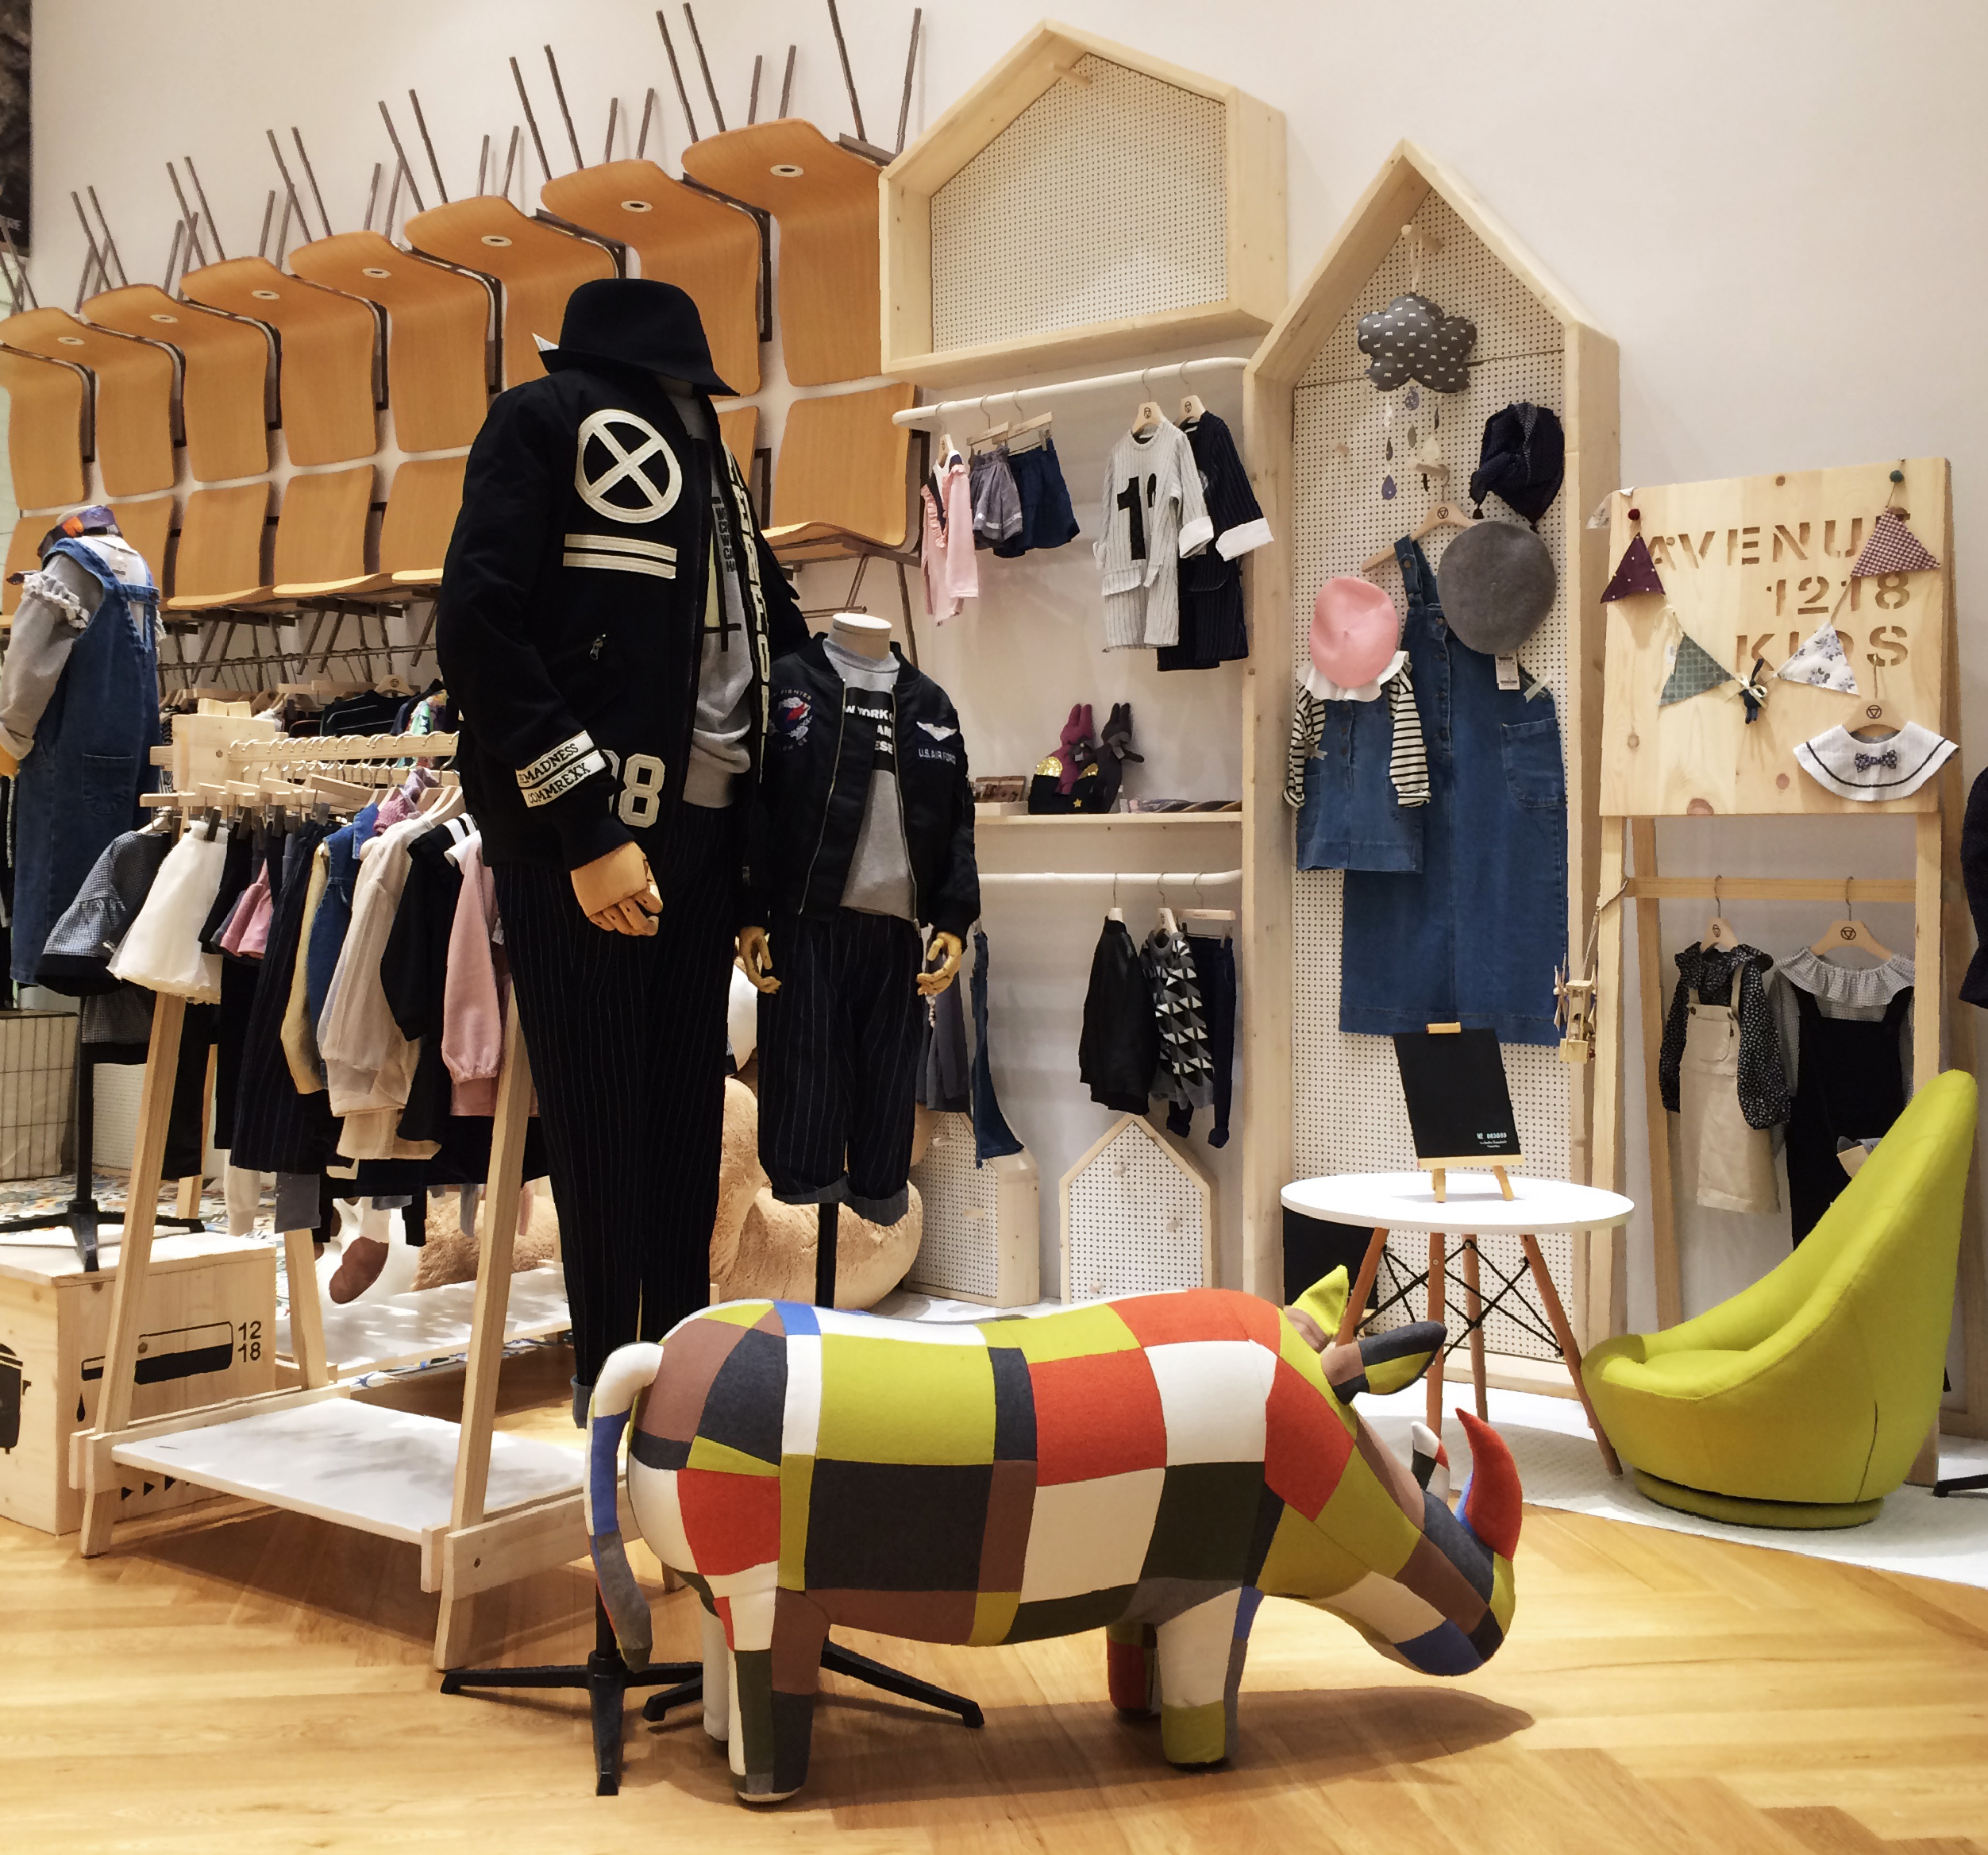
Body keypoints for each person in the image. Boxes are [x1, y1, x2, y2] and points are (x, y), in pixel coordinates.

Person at [437, 278, 807, 1417]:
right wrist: (585, 822)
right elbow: (478, 626)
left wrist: (762, 869)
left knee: (682, 1128)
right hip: (590, 837)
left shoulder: (710, 462)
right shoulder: (543, 420)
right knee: (601, 1129)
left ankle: (674, 1402)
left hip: (705, 834)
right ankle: (611, 1403)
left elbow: (769, 651)